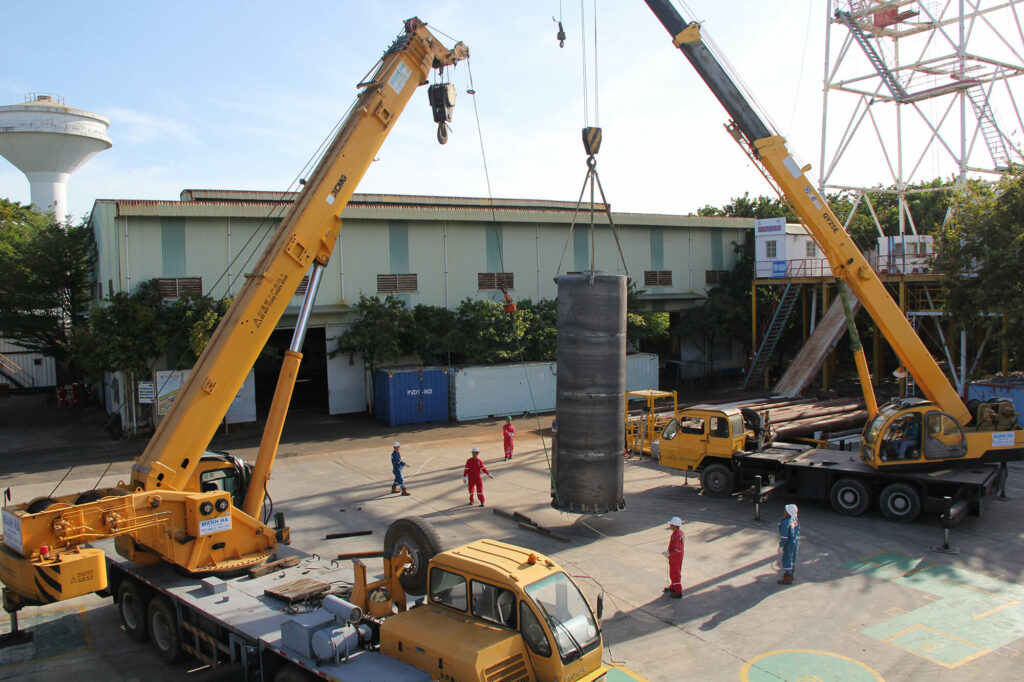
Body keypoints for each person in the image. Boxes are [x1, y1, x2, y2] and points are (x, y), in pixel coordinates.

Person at [662, 516, 684, 599]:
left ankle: (678, 592)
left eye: (671, 524)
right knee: (673, 573)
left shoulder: (677, 535)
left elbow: (677, 549)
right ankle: (673, 586)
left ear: (674, 526)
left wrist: (669, 553)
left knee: (675, 574)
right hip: (675, 558)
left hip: (675, 558)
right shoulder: (679, 533)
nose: (669, 526)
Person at [777, 503, 800, 584]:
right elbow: (797, 530)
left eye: (786, 510)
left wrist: (781, 546)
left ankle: (788, 578)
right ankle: (791, 574)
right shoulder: (795, 519)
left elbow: (784, 537)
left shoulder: (785, 522)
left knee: (787, 559)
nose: (784, 511)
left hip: (789, 543)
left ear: (788, 512)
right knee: (793, 558)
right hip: (795, 541)